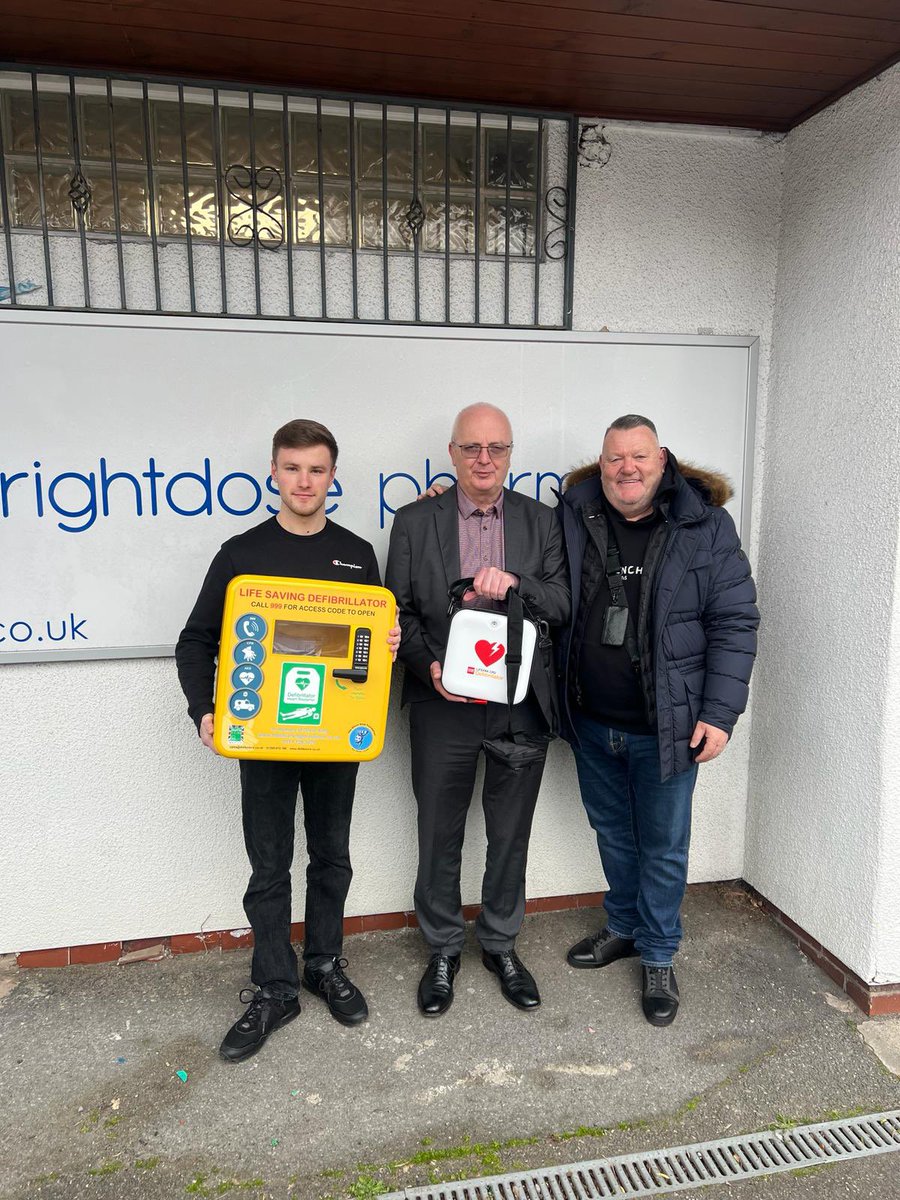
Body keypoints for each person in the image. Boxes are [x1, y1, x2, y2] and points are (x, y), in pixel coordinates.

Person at [176, 419, 400, 1062]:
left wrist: (386, 645)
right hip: (266, 740)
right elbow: (196, 641)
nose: (305, 481)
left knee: (332, 857)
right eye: (292, 468)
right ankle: (275, 986)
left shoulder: (358, 555)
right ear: (273, 473)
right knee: (269, 866)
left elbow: (363, 654)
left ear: (334, 477)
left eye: (317, 469)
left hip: (334, 739)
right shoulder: (241, 554)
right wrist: (203, 710)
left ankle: (323, 964)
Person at [557, 414, 758, 1026]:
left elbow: (734, 621)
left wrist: (720, 713)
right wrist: (441, 500)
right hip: (592, 721)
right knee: (613, 834)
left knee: (665, 848)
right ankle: (622, 926)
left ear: (661, 457)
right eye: (616, 458)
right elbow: (515, 546)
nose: (628, 469)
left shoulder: (704, 525)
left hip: (668, 727)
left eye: (639, 456)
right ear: (602, 462)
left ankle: (660, 952)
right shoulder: (574, 514)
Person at [385, 403, 569, 1016]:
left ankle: (499, 942)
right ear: (453, 452)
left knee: (510, 831)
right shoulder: (414, 522)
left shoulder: (542, 522)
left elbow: (563, 601)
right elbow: (398, 612)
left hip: (519, 703)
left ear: (511, 454)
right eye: (471, 448)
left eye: (496, 448)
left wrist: (516, 583)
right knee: (438, 830)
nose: (484, 459)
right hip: (444, 704)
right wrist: (429, 667)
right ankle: (441, 948)